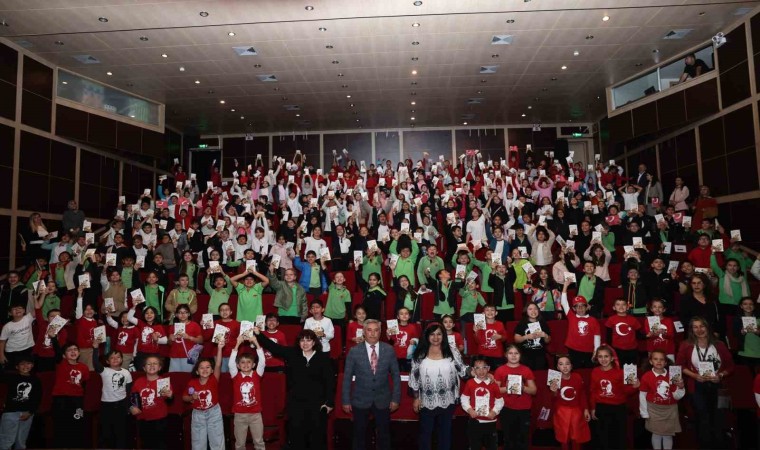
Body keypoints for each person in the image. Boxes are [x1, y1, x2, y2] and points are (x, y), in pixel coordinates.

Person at [254, 327, 335, 449]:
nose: (305, 343)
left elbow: (330, 382)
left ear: (314, 342)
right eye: (302, 340)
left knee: (317, 439)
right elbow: (274, 347)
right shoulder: (293, 354)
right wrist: (258, 334)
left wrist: (329, 403)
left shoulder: (323, 358)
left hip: (317, 405)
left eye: (308, 340)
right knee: (297, 438)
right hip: (296, 404)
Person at [342, 319, 401, 450]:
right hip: (360, 400)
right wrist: (345, 400)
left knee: (384, 436)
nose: (373, 333)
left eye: (376, 330)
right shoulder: (354, 351)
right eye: (369, 330)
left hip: (383, 400)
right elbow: (346, 377)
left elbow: (396, 376)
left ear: (380, 332)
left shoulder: (389, 350)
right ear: (363, 332)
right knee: (359, 436)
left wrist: (396, 399)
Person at [676, 316, 735, 449]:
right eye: (695, 327)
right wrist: (695, 376)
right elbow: (679, 365)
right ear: (691, 330)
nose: (699, 330)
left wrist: (720, 375)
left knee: (719, 416)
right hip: (696, 385)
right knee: (702, 416)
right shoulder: (686, 345)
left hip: (718, 385)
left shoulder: (719, 344)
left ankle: (719, 444)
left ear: (707, 327)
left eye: (702, 326)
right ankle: (704, 445)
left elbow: (730, 366)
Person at [409, 323, 470, 450]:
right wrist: (416, 397)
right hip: (426, 400)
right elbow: (414, 377)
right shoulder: (420, 353)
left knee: (445, 434)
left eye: (439, 334)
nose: (435, 337)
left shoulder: (452, 350)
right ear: (426, 336)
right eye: (432, 334)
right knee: (425, 435)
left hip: (448, 399)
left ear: (444, 336)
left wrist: (479, 372)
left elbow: (463, 370)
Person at [590, 344, 638, 450]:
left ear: (612, 358)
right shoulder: (595, 371)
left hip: (618, 408)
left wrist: (635, 387)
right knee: (603, 438)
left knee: (618, 438)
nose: (603, 359)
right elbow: (593, 391)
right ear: (597, 358)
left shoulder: (620, 373)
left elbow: (626, 392)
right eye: (600, 356)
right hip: (601, 408)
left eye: (606, 356)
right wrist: (593, 408)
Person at [640, 350, 685, 450]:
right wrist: (644, 412)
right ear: (651, 361)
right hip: (653, 409)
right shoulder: (646, 377)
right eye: (655, 359)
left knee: (668, 434)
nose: (659, 361)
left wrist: (681, 387)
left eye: (661, 359)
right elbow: (642, 396)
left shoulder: (672, 376)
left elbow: (677, 396)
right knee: (656, 434)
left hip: (670, 409)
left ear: (665, 362)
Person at [183, 342, 225, 450]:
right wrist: (192, 398)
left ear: (211, 370)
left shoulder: (214, 379)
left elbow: (218, 364)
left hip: (214, 412)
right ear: (197, 371)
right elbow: (184, 397)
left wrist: (220, 348)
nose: (205, 370)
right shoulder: (192, 383)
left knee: (217, 441)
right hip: (198, 415)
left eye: (208, 367)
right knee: (198, 443)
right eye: (201, 368)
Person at [494, 345, 537, 450]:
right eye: (510, 353)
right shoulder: (500, 370)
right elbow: (495, 390)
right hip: (507, 408)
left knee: (523, 438)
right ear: (506, 355)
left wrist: (523, 388)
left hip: (524, 409)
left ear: (520, 355)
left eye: (516, 353)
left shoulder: (526, 370)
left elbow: (534, 390)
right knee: (508, 438)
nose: (513, 356)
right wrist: (507, 388)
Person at [228, 334, 267, 450]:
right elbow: (230, 364)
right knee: (240, 444)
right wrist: (237, 343)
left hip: (256, 415)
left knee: (259, 442)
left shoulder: (257, 375)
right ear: (238, 366)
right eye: (243, 363)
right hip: (239, 415)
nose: (246, 365)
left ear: (254, 365)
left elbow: (263, 362)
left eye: (249, 362)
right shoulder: (235, 376)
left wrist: (256, 342)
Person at [50, 336, 89, 448]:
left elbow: (84, 384)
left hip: (77, 399)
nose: (73, 351)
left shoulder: (84, 367)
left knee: (78, 425)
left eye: (75, 349)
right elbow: (57, 352)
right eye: (69, 350)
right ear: (63, 355)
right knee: (61, 426)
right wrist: (53, 339)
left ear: (79, 352)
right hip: (61, 399)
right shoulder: (60, 364)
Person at [92, 344, 132, 449]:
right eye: (112, 358)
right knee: (106, 432)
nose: (115, 359)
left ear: (122, 360)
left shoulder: (126, 373)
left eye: (118, 357)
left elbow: (128, 392)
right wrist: (96, 348)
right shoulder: (104, 371)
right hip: (106, 405)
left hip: (121, 405)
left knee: (121, 431)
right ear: (107, 361)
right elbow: (96, 363)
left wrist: (128, 406)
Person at [130, 355, 173, 449]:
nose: (152, 365)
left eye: (155, 363)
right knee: (146, 444)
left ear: (160, 367)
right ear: (144, 368)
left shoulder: (163, 382)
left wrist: (170, 396)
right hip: (143, 420)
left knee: (160, 445)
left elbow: (169, 401)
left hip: (160, 420)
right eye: (148, 364)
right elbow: (132, 400)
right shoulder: (138, 382)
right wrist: (132, 408)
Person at [549, 355, 591, 450]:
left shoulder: (577, 377)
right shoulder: (554, 378)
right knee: (564, 437)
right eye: (561, 364)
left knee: (576, 437)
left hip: (576, 411)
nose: (564, 366)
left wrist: (585, 409)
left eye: (567, 364)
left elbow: (582, 394)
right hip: (561, 412)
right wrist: (553, 391)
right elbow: (553, 399)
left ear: (571, 366)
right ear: (557, 367)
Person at [461, 356, 503, 450]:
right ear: (473, 370)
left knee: (491, 446)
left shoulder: (493, 384)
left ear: (488, 368)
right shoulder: (470, 383)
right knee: (475, 445)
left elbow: (500, 401)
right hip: (475, 421)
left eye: (484, 367)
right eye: (477, 368)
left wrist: (494, 412)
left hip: (490, 422)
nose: (481, 371)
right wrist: (469, 410)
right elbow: (464, 398)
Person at [0, 355, 41, 450]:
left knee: (21, 441)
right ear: (16, 367)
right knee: (6, 440)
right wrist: (2, 364)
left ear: (32, 365)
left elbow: (37, 398)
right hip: (10, 412)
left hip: (27, 413)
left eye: (28, 363)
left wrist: (30, 412)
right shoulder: (12, 377)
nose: (25, 366)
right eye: (22, 364)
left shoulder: (35, 380)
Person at [560, 281, 601, 369]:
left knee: (588, 371)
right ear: (573, 309)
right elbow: (564, 303)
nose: (580, 308)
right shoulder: (571, 316)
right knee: (576, 371)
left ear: (587, 307)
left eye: (582, 306)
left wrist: (596, 351)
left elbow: (597, 337)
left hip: (589, 351)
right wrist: (565, 286)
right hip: (573, 350)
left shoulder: (593, 320)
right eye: (577, 306)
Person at [513, 303, 551, 370]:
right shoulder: (521, 323)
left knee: (541, 373)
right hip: (525, 355)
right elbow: (516, 340)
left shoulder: (543, 323)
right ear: (526, 311)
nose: (533, 311)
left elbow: (548, 341)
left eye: (535, 309)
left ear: (538, 311)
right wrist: (526, 337)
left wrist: (545, 335)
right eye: (530, 309)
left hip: (540, 354)